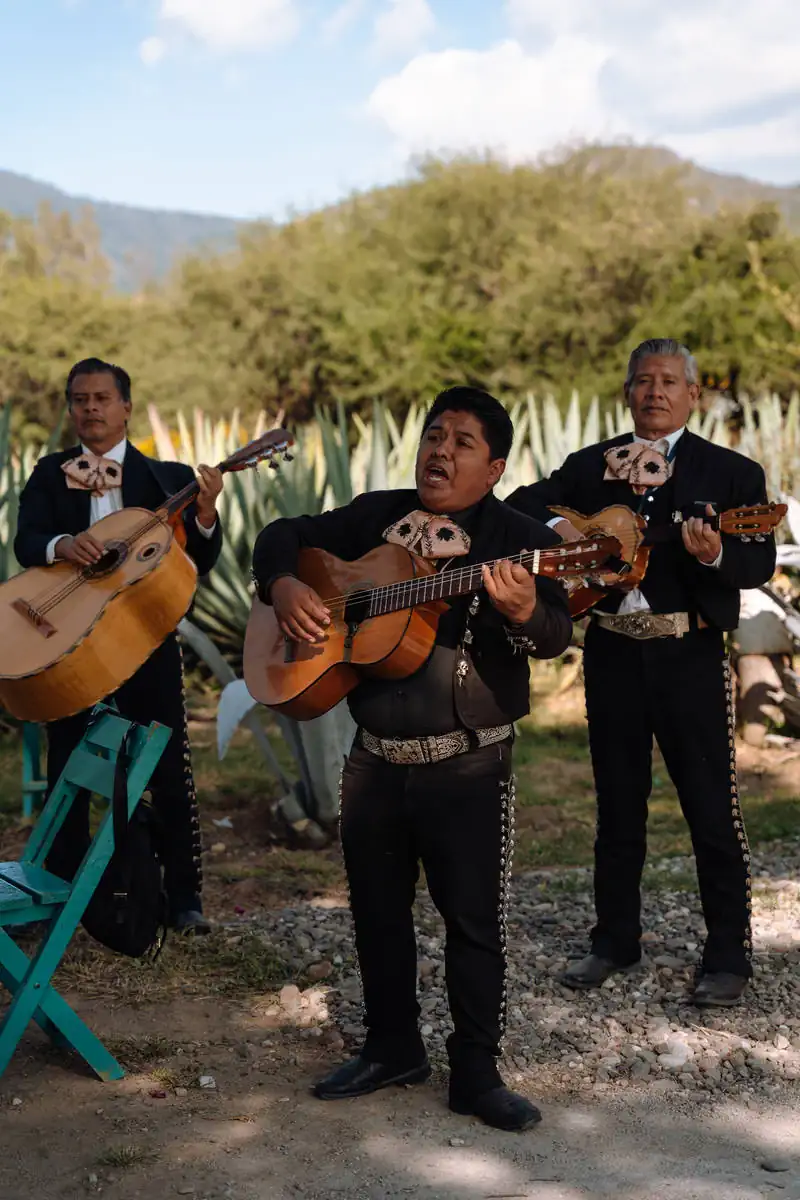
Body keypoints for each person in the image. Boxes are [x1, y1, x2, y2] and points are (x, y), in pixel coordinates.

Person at [252, 386, 572, 1131]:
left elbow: (555, 631)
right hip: (375, 758)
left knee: (472, 922)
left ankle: (477, 1072)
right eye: (435, 434)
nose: (441, 450)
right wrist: (286, 582)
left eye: (463, 442)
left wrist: (524, 611)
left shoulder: (519, 538)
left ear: (492, 469)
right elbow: (281, 530)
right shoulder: (376, 513)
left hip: (467, 761)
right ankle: (392, 1047)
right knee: (377, 914)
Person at [505, 339, 776, 1007]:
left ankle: (727, 954)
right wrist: (576, 535)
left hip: (689, 655)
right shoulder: (588, 466)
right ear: (627, 394)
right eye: (642, 381)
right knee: (617, 806)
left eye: (669, 382)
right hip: (612, 653)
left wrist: (714, 555)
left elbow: (757, 564)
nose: (655, 392)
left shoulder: (730, 474)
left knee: (711, 808)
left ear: (692, 395)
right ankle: (613, 941)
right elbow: (514, 511)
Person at [14, 357, 224, 934]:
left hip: (142, 641)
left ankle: (183, 900)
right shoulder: (49, 473)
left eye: (102, 398)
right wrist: (62, 544)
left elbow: (199, 561)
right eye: (79, 399)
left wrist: (205, 515)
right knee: (67, 765)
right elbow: (25, 539)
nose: (91, 408)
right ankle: (59, 895)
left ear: (126, 407)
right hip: (69, 646)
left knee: (167, 766)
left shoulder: (167, 478)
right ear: (70, 408)